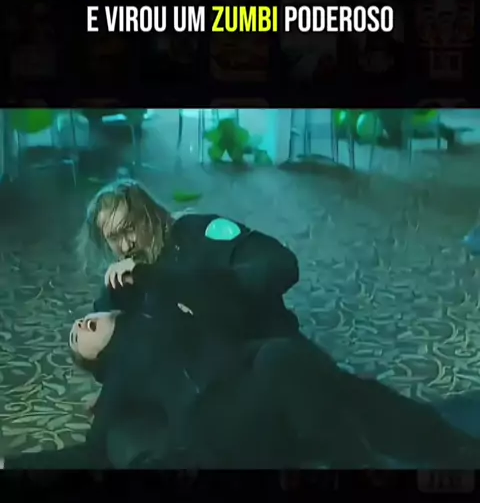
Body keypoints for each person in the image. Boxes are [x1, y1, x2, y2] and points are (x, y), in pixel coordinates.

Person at [4, 263, 480, 471]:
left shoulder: (157, 303)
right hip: (215, 417)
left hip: (250, 373)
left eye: (78, 323)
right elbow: (92, 452)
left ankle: (453, 445)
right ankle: (357, 462)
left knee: (346, 387)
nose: (78, 327)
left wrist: (148, 274)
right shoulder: (120, 374)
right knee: (283, 359)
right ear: (96, 359)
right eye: (77, 340)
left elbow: (217, 295)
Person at [77, 177, 300, 339]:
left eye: (131, 227)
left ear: (149, 215)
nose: (127, 245)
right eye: (114, 238)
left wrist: (207, 289)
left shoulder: (196, 232)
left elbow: (280, 263)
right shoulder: (126, 277)